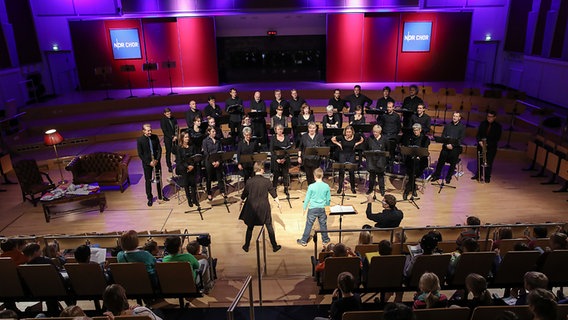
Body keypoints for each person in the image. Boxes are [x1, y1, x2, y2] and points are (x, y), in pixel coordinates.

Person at [239, 162, 282, 253]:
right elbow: (273, 194)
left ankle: (246, 246)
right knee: (269, 226)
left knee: (250, 227)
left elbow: (244, 194)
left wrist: (241, 201)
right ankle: (274, 246)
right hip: (264, 207)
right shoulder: (267, 181)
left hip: (252, 208)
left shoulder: (249, 181)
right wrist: (279, 203)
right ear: (262, 170)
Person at [429, 112, 466, 184]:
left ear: (459, 118)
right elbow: (443, 136)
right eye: (454, 116)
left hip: (455, 148)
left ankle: (448, 177)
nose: (454, 117)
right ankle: (437, 175)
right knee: (440, 161)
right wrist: (446, 144)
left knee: (453, 163)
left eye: (456, 116)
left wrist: (453, 145)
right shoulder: (448, 125)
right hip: (446, 146)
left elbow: (461, 139)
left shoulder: (462, 127)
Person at [137, 123, 169, 207]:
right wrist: (149, 162)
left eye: (150, 130)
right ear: (143, 131)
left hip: (156, 162)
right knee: (148, 180)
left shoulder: (155, 137)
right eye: (148, 131)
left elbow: (159, 148)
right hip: (147, 164)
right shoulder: (140, 140)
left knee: (159, 179)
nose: (150, 132)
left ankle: (160, 195)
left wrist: (157, 160)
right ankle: (150, 198)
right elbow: (140, 154)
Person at [298, 168, 331, 246]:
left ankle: (304, 240)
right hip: (322, 208)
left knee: (309, 224)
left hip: (312, 208)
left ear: (314, 176)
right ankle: (325, 239)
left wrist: (304, 207)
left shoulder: (311, 186)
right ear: (322, 176)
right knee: (323, 224)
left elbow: (307, 198)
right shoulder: (326, 186)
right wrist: (327, 208)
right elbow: (328, 199)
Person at [331, 125, 364, 194]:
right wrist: (338, 144)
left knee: (351, 171)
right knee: (341, 171)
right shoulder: (342, 137)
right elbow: (333, 139)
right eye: (347, 132)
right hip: (342, 155)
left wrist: (357, 143)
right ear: (345, 132)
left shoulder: (355, 137)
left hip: (351, 155)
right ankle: (340, 188)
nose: (348, 133)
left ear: (352, 132)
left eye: (349, 132)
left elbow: (362, 139)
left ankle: (353, 188)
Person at [472, 110, 502, 183]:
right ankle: (478, 175)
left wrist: (487, 144)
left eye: (491, 117)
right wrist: (479, 141)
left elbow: (497, 138)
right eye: (488, 116)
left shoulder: (498, 126)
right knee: (480, 161)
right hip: (481, 146)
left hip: (491, 148)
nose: (489, 118)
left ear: (494, 117)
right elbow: (478, 134)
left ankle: (487, 177)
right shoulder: (483, 124)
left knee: (489, 162)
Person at [402, 123, 430, 200]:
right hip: (410, 159)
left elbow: (425, 150)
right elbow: (407, 148)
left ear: (420, 130)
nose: (415, 132)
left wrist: (419, 156)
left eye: (417, 130)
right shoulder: (410, 137)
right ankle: (413, 189)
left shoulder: (425, 139)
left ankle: (407, 191)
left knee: (413, 173)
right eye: (414, 130)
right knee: (412, 173)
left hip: (421, 161)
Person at [176, 131, 200, 207]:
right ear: (182, 138)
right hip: (184, 168)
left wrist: (192, 166)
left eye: (188, 137)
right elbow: (179, 160)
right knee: (186, 184)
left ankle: (194, 199)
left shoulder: (192, 146)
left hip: (192, 166)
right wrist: (187, 166)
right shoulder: (179, 148)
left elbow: (195, 157)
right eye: (186, 137)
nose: (187, 138)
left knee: (193, 183)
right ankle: (189, 200)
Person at [202, 126, 225, 201]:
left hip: (217, 160)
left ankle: (222, 191)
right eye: (213, 132)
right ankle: (209, 193)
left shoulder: (218, 140)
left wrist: (218, 161)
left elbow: (220, 151)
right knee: (209, 178)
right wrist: (212, 162)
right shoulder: (205, 141)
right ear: (209, 132)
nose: (214, 133)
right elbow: (206, 153)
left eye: (215, 131)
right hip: (209, 161)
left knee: (219, 176)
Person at [366, 124, 388, 196]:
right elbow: (366, 148)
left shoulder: (384, 139)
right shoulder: (370, 138)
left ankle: (382, 190)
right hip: (371, 160)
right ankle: (370, 189)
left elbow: (388, 149)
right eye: (374, 132)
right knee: (372, 176)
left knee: (380, 176)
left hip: (380, 160)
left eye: (376, 132)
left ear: (380, 132)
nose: (375, 133)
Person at [270, 124, 292, 193]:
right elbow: (271, 150)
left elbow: (289, 150)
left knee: (285, 174)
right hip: (276, 160)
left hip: (285, 159)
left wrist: (284, 159)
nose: (280, 131)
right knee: (276, 174)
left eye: (281, 129)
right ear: (276, 130)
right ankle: (274, 188)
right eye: (278, 129)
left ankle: (286, 188)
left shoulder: (287, 137)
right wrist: (277, 159)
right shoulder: (273, 138)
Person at [380, 101, 401, 168]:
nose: (389, 109)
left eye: (390, 107)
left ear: (393, 108)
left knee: (392, 151)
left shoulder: (396, 116)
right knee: (385, 150)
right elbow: (382, 125)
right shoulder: (384, 116)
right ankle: (385, 164)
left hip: (393, 136)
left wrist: (395, 133)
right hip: (385, 135)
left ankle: (391, 164)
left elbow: (398, 126)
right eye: (388, 107)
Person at [159, 107, 178, 173]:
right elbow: (165, 131)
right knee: (168, 153)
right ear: (164, 114)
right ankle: (169, 166)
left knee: (177, 151)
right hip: (168, 139)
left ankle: (178, 162)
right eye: (167, 114)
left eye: (169, 113)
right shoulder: (163, 120)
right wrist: (172, 137)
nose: (169, 115)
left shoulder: (174, 118)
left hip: (175, 137)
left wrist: (176, 135)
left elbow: (176, 127)